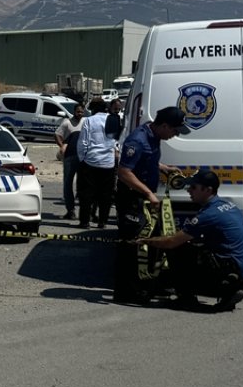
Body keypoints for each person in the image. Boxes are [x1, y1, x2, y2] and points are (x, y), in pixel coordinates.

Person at [135, 170, 243, 312]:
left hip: (227, 272)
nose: (188, 190)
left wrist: (146, 241)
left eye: (193, 187)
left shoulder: (208, 215)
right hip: (241, 273)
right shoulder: (228, 206)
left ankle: (188, 298)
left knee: (175, 249)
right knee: (190, 247)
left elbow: (171, 242)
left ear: (208, 190)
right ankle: (229, 291)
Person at [114, 105, 190, 303]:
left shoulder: (154, 136)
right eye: (174, 131)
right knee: (131, 244)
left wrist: (163, 167)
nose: (175, 135)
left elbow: (145, 160)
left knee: (155, 241)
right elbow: (124, 172)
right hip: (132, 198)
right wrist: (148, 192)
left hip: (146, 197)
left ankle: (151, 285)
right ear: (164, 125)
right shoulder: (137, 140)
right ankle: (126, 291)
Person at [76, 99, 116, 229]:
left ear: (93, 110)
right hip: (108, 163)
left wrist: (82, 159)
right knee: (106, 195)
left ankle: (85, 222)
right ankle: (102, 221)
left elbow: (83, 142)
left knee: (86, 194)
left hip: (91, 161)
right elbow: (118, 141)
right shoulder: (114, 120)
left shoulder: (89, 120)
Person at [55, 103, 85, 220]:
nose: (80, 114)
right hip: (69, 157)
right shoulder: (67, 122)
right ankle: (70, 210)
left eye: (82, 112)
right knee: (68, 184)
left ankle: (86, 212)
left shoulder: (85, 122)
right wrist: (62, 146)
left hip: (82, 157)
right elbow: (57, 135)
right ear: (74, 111)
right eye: (78, 112)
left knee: (83, 185)